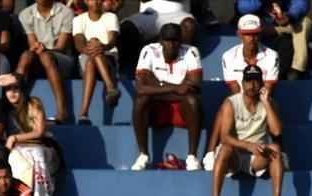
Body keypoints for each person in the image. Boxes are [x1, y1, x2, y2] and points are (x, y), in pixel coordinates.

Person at [206, 65, 286, 196]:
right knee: (225, 149)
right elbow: (224, 136)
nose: (252, 85)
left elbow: (277, 131)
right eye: (248, 81)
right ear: (242, 83)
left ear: (261, 84)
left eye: (256, 81)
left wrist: (266, 103)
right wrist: (248, 145)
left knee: (275, 149)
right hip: (235, 155)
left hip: (257, 157)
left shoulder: (269, 102)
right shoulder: (231, 102)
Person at [203, 14, 278, 169]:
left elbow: (268, 90)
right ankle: (210, 153)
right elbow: (235, 91)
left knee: (270, 104)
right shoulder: (229, 56)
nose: (252, 38)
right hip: (240, 99)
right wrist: (243, 104)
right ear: (239, 35)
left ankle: (279, 151)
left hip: (262, 99)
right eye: (247, 34)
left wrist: (255, 101)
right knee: (227, 105)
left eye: (255, 34)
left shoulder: (272, 56)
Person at [130, 22, 202, 171]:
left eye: (175, 40)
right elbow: (140, 88)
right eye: (168, 40)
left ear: (180, 41)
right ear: (161, 41)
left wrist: (156, 85)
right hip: (157, 110)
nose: (172, 45)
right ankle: (143, 155)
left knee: (192, 100)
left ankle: (192, 157)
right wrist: (176, 87)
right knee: (141, 100)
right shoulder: (149, 50)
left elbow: (194, 86)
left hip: (181, 109)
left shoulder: (191, 51)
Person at [0, 72, 63, 196]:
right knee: (16, 158)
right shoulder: (3, 109)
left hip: (42, 147)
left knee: (35, 155)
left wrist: (15, 138)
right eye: (8, 89)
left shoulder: (33, 103)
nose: (12, 93)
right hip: (18, 150)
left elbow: (39, 132)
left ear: (22, 90)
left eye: (16, 88)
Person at [17, 0, 76, 123]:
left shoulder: (66, 12)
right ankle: (17, 108)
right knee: (25, 55)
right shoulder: (25, 14)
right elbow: (32, 44)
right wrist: (35, 47)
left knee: (46, 56)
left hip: (62, 59)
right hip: (40, 58)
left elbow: (61, 47)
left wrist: (45, 49)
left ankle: (62, 111)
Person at [72, 0, 119, 124]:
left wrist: (101, 46)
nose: (97, 2)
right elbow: (79, 43)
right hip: (86, 58)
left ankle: (83, 114)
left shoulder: (111, 17)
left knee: (93, 53)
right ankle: (111, 88)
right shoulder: (78, 20)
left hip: (108, 58)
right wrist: (92, 48)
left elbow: (112, 41)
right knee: (91, 56)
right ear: (87, 1)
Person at [118, 0, 196, 72]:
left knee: (188, 25)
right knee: (126, 27)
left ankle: (179, 68)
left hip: (178, 13)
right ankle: (131, 71)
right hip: (149, 14)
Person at [239, 0, 311, 78]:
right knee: (251, 22)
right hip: (263, 26)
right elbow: (243, 7)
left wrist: (290, 16)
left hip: (285, 23)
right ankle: (251, 67)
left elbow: (300, 3)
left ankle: (296, 70)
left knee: (304, 21)